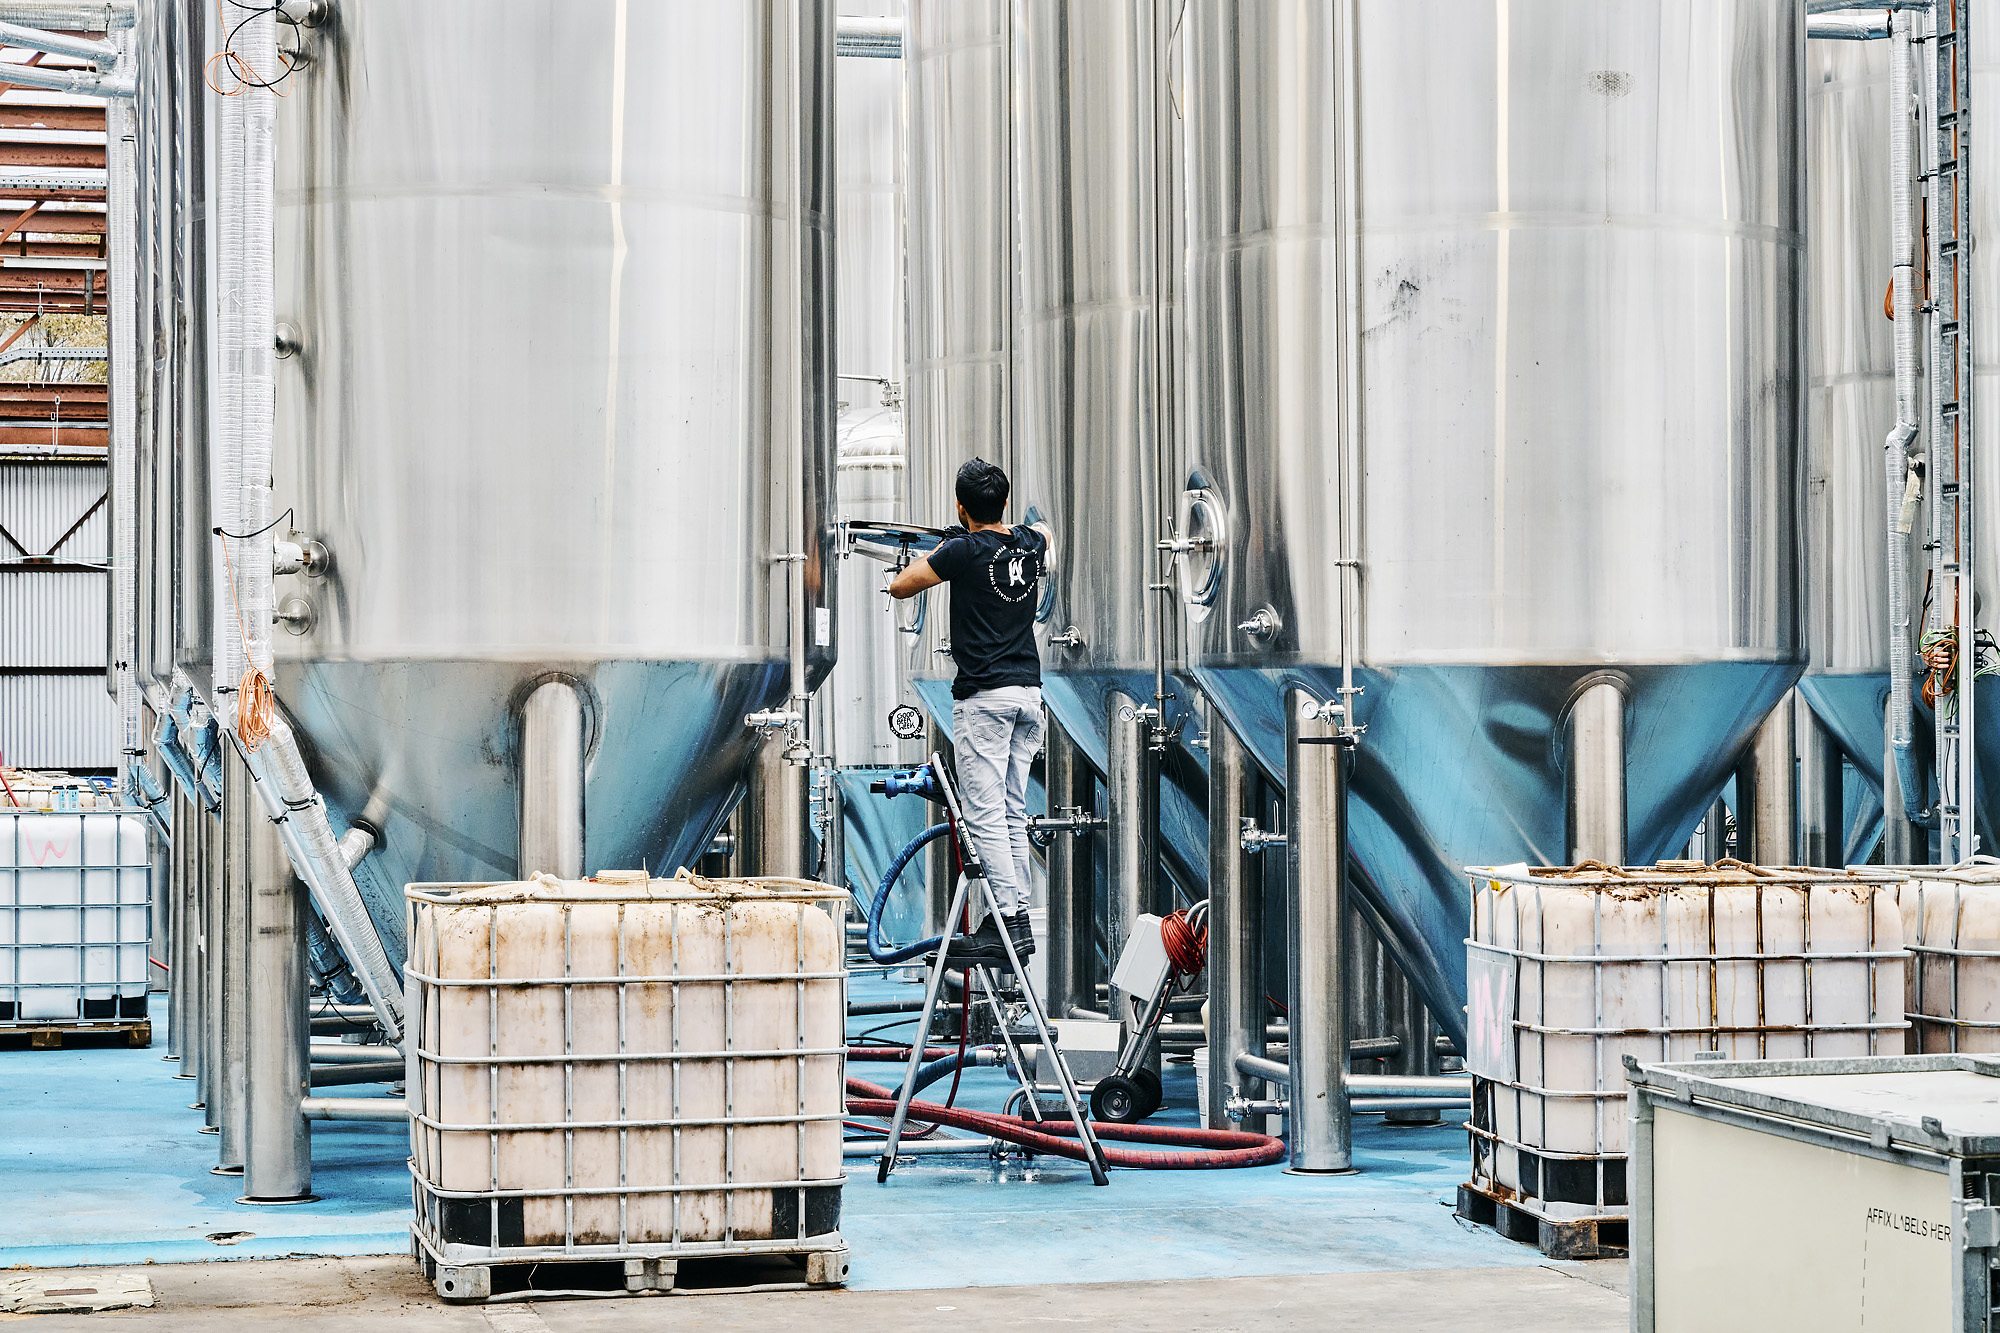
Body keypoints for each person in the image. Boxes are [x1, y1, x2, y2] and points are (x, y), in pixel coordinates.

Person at [887, 458, 1052, 969]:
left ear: (961, 508)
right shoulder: (1030, 543)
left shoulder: (961, 550)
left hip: (985, 700)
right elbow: (1045, 530)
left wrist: (946, 547)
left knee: (983, 817)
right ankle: (1016, 913)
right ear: (1003, 502)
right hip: (1029, 696)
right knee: (1011, 811)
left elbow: (902, 586)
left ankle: (1007, 925)